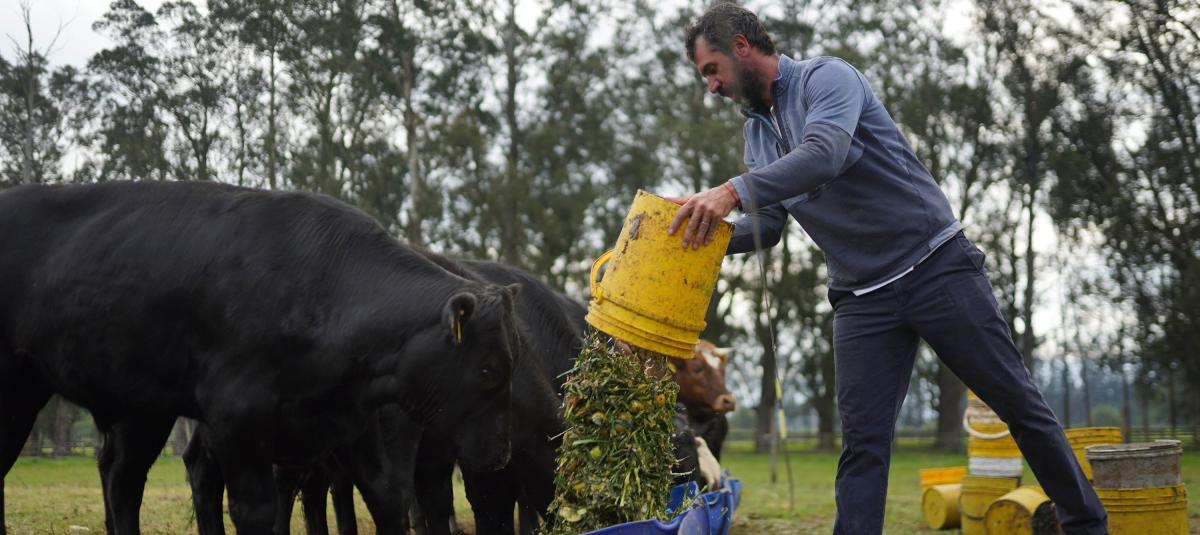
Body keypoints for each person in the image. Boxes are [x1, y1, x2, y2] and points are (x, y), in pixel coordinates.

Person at [667, 4, 1107, 534]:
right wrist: (694, 236)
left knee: (1019, 405)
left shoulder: (827, 79)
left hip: (935, 267)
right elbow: (769, 225)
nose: (711, 86)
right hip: (861, 299)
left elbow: (824, 154)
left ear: (741, 47)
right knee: (863, 444)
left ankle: (1085, 525)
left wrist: (731, 190)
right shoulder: (757, 137)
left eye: (711, 70)